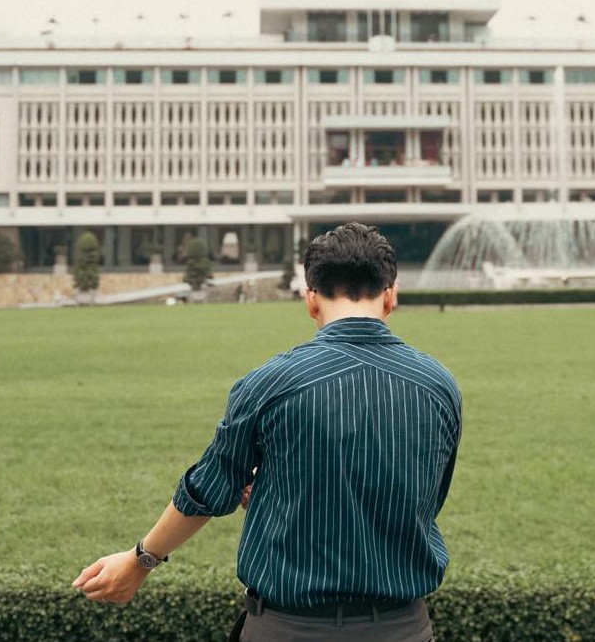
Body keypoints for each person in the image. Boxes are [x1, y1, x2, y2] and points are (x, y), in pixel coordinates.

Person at [73, 222, 462, 642]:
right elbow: (422, 498)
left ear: (310, 299)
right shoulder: (439, 386)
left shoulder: (270, 383)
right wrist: (288, 488)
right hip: (403, 628)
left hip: (287, 629)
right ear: (391, 295)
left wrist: (140, 561)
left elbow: (208, 489)